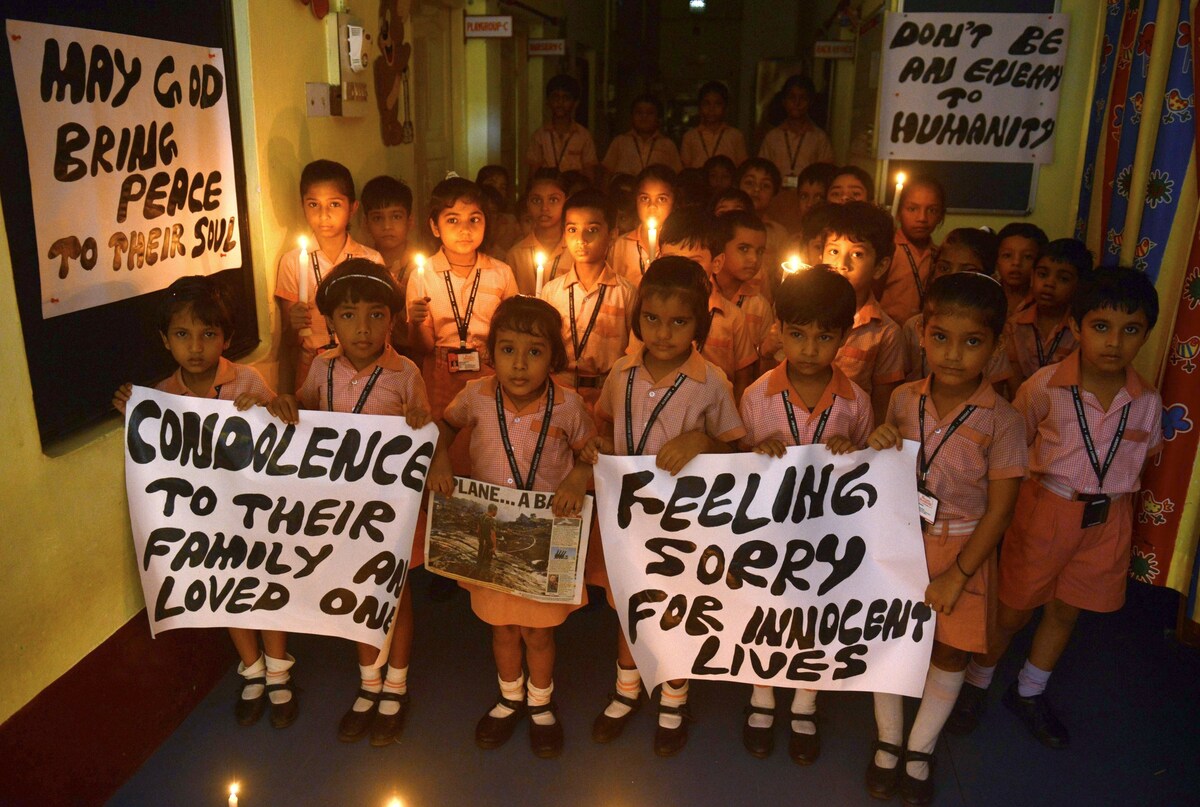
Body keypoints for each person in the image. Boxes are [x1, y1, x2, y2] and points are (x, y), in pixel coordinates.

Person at [948, 267, 1162, 751]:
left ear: (1146, 334)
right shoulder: (1044, 386)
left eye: (1131, 330)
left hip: (1109, 518)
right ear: (1077, 325)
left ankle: (1029, 690)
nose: (1114, 342)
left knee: (1067, 610)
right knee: (1013, 609)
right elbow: (1013, 448)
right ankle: (976, 684)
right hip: (1045, 509)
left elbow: (1143, 457)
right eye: (1101, 326)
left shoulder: (1147, 400)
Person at [866, 272, 1026, 805]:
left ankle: (920, 747)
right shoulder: (903, 400)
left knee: (951, 652)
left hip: (965, 549)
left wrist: (959, 574)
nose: (953, 353)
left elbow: (1001, 511)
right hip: (900, 541)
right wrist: (880, 440)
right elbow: (883, 474)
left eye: (972, 341)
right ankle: (888, 744)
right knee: (888, 644)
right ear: (921, 334)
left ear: (996, 346)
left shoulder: (1003, 420)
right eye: (941, 337)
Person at [580, 256, 745, 757]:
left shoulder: (711, 381)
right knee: (632, 606)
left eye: (679, 322)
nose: (664, 332)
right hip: (630, 516)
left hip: (687, 521)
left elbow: (738, 451)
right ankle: (627, 689)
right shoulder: (620, 371)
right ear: (637, 318)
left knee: (677, 609)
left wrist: (701, 440)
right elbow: (605, 425)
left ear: (700, 323)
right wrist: (596, 448)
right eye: (651, 319)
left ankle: (675, 695)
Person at [266, 259, 432, 747]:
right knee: (359, 597)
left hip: (389, 513)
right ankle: (368, 684)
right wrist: (286, 404)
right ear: (329, 321)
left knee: (393, 597)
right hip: (340, 514)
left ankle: (395, 687)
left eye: (376, 315)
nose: (363, 328)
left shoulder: (405, 374)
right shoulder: (322, 366)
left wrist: (421, 424)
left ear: (394, 320)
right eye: (348, 315)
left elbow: (425, 433)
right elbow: (304, 412)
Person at [112, 276, 288, 729]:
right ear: (165, 341)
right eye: (183, 335)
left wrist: (269, 407)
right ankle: (251, 669)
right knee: (228, 592)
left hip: (252, 511)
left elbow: (282, 437)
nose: (196, 347)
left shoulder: (246, 378)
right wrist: (133, 408)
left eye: (209, 335)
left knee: (264, 589)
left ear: (226, 339)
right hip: (205, 520)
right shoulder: (161, 395)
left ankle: (280, 670)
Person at [427, 297, 595, 758]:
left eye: (535, 352)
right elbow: (442, 427)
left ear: (554, 359)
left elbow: (591, 453)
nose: (519, 364)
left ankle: (541, 704)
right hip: (490, 532)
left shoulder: (569, 406)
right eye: (507, 350)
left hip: (547, 533)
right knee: (502, 629)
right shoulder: (475, 396)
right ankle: (509, 696)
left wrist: (580, 476)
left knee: (539, 632)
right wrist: (440, 457)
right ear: (491, 353)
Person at [737, 267, 872, 765]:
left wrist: (852, 451)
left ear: (843, 335)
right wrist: (758, 449)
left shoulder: (857, 401)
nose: (810, 347)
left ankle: (805, 703)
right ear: (779, 328)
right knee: (764, 612)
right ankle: (762, 697)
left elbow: (869, 470)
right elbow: (737, 467)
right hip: (770, 530)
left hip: (828, 536)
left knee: (816, 618)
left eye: (824, 336)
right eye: (797, 334)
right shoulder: (755, 396)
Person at [406, 175, 519, 421]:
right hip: (440, 372)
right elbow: (423, 346)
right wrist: (415, 322)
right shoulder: (423, 275)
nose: (465, 230)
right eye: (452, 220)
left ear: (486, 222)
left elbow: (513, 332)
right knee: (445, 440)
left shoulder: (501, 273)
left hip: (489, 370)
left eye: (474, 219)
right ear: (435, 227)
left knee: (485, 437)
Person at [275, 160, 383, 393]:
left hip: (361, 367)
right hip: (312, 365)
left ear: (353, 208)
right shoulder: (292, 262)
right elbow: (289, 341)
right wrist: (293, 325)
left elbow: (383, 328)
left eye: (334, 204)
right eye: (313, 204)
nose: (323, 214)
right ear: (302, 205)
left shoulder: (371, 260)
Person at [538, 188, 635, 408]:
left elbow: (634, 353)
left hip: (608, 394)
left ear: (612, 234)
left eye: (592, 230)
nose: (581, 239)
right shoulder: (552, 291)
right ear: (564, 234)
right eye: (572, 229)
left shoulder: (625, 293)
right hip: (558, 391)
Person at [656, 208, 758, 402]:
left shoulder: (732, 318)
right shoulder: (651, 311)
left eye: (693, 262)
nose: (680, 270)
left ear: (717, 263)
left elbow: (743, 381)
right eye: (671, 259)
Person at [821, 201, 906, 425]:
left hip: (850, 441)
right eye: (833, 251)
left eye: (857, 254)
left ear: (880, 266)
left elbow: (882, 406)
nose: (841, 264)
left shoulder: (885, 333)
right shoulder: (798, 315)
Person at [902, 227, 1010, 386]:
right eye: (944, 268)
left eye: (972, 341)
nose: (953, 276)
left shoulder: (989, 330)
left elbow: (996, 393)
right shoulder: (913, 327)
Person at [1004, 238, 1094, 391]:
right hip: (1022, 402)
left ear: (1080, 285)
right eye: (1043, 274)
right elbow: (1013, 378)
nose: (1049, 283)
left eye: (1063, 279)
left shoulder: (1082, 329)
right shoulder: (1014, 325)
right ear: (1032, 277)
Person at [361, 175, 417, 357]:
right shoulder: (362, 264)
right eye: (378, 218)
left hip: (414, 351)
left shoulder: (421, 267)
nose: (387, 226)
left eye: (396, 216)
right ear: (366, 223)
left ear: (410, 221)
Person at [711, 209, 773, 373]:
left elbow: (763, 370)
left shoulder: (759, 306)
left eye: (759, 251)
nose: (754, 259)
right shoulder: (701, 296)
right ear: (720, 249)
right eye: (744, 249)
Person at [878, 176, 946, 324]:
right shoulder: (888, 250)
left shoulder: (939, 254)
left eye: (932, 210)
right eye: (912, 209)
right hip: (887, 333)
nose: (922, 218)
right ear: (898, 212)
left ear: (941, 215)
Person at [757, 75, 834, 186]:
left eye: (803, 98)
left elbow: (826, 173)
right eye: (792, 98)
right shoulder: (772, 137)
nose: (797, 103)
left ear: (810, 102)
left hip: (808, 196)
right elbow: (762, 170)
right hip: (777, 195)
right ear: (784, 101)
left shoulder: (819, 138)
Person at [506, 170, 573, 295]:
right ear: (527, 203)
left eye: (553, 200)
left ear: (566, 202)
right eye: (536, 200)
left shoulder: (576, 250)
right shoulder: (516, 255)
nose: (544, 208)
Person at [609, 165, 677, 285]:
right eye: (645, 198)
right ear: (636, 200)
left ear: (674, 202)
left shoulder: (679, 246)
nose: (652, 206)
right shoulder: (619, 246)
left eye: (661, 199)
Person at [526, 74, 599, 182]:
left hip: (574, 191)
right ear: (548, 101)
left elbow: (589, 174)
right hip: (548, 188)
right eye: (555, 97)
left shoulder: (584, 136)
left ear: (575, 103)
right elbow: (533, 174)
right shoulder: (540, 136)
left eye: (566, 98)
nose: (560, 103)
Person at [601, 95, 682, 178]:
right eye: (639, 112)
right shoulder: (620, 142)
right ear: (632, 116)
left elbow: (677, 175)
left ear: (658, 118)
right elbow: (606, 172)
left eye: (650, 113)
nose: (644, 116)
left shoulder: (667, 145)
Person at [680, 81, 748, 169]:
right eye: (706, 104)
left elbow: (742, 167)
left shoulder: (735, 136)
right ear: (700, 107)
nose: (711, 109)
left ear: (725, 107)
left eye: (717, 104)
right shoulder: (690, 136)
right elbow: (685, 169)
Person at [995, 222, 1049, 316]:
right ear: (996, 260)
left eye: (1027, 257)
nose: (1016, 262)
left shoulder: (1044, 298)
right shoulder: (987, 294)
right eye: (1007, 255)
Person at [475, 503, 499, 579]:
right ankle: (483, 578)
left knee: (480, 558)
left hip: (482, 542)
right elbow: (492, 534)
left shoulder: (481, 517)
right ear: (493, 510)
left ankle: (476, 573)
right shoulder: (492, 521)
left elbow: (478, 529)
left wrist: (479, 539)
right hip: (488, 544)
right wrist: (494, 546)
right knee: (487, 562)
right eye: (496, 511)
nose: (496, 513)